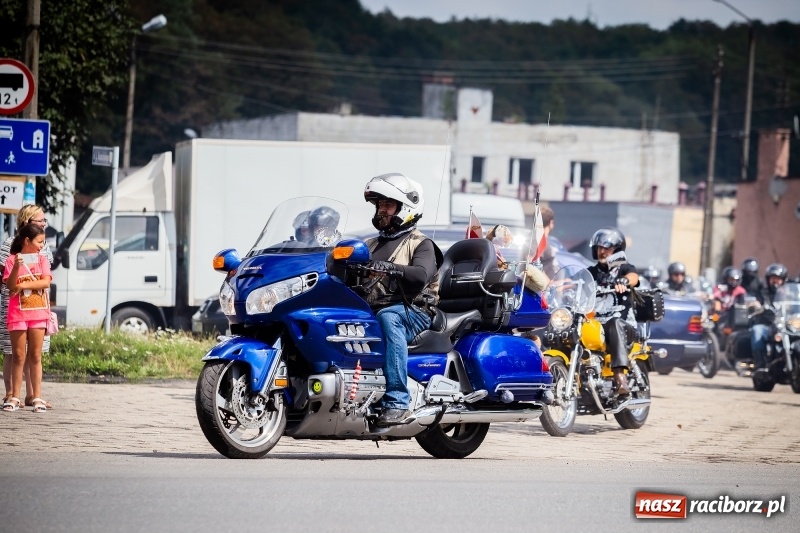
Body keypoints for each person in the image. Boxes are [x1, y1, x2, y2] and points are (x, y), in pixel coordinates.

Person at [361, 172, 441, 426]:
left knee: (389, 317)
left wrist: (390, 268)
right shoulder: (370, 244)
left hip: (413, 310)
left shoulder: (421, 243)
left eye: (387, 205)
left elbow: (420, 276)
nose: (381, 211)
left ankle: (397, 400)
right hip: (375, 306)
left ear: (405, 208)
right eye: (379, 205)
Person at [0, 205, 54, 409]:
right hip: (13, 305)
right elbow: (4, 277)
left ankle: (33, 395)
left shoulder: (43, 247)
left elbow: (46, 276)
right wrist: (15, 283)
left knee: (35, 353)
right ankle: (11, 394)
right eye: (38, 221)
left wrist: (27, 285)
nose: (42, 224)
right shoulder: (9, 246)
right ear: (26, 222)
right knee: (14, 352)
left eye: (43, 221)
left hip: (38, 305)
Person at [587, 227, 639, 398]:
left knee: (614, 323)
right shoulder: (592, 272)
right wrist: (565, 285)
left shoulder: (623, 268)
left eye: (607, 248)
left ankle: (620, 376)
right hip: (597, 325)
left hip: (624, 326)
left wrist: (624, 281)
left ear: (616, 250)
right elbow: (578, 281)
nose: (602, 251)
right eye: (599, 248)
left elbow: (634, 277)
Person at [750, 263, 788, 371]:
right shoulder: (763, 292)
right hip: (767, 325)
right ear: (768, 279)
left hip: (785, 327)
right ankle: (760, 364)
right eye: (773, 278)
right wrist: (756, 305)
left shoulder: (789, 294)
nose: (775, 281)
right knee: (757, 331)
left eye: (778, 278)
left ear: (783, 280)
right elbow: (756, 301)